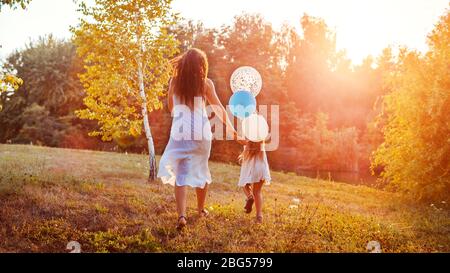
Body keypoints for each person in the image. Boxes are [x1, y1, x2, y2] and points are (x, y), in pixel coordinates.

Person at [157, 48, 242, 230]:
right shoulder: (206, 84)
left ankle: (181, 216)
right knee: (201, 169)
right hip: (201, 133)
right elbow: (218, 109)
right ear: (201, 66)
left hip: (180, 131)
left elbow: (171, 107)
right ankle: (201, 210)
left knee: (181, 173)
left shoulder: (174, 82)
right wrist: (234, 132)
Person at [238, 140, 271, 223]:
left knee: (244, 184)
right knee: (257, 192)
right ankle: (259, 216)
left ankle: (250, 197)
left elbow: (235, 136)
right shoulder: (261, 142)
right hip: (261, 168)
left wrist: (228, 127)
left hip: (250, 167)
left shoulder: (246, 141)